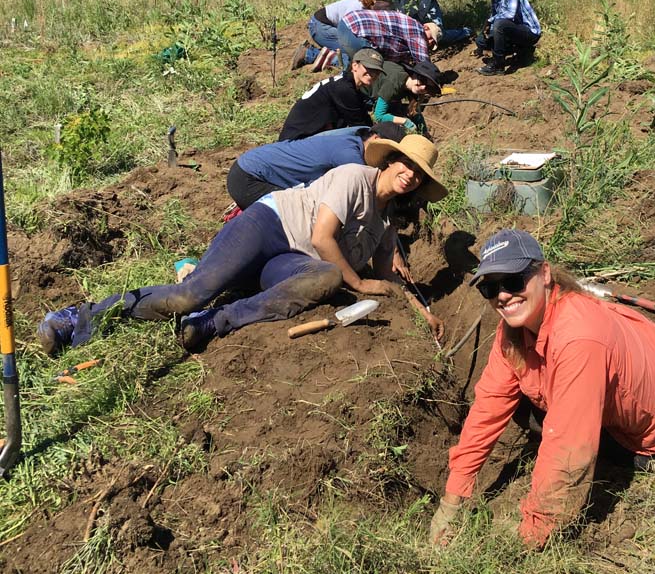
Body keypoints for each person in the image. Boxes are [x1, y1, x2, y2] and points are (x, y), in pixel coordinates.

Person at [429, 228, 655, 549]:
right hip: (652, 343)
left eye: (513, 281)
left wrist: (529, 534)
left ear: (544, 274)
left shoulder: (580, 338)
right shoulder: (521, 326)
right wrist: (452, 501)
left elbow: (569, 447)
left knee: (553, 419)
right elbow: (487, 408)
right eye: (490, 288)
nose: (502, 295)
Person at [37, 136, 449, 357]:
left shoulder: (385, 220)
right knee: (189, 293)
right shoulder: (354, 177)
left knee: (324, 276)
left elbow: (386, 277)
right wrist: (357, 285)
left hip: (291, 259)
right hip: (268, 224)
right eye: (406, 165)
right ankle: (80, 317)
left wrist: (422, 314)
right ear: (389, 161)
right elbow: (324, 237)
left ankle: (211, 323)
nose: (410, 176)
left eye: (419, 174)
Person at [227, 123, 407, 210]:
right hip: (249, 178)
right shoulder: (349, 154)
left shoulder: (353, 138)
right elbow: (367, 196)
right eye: (387, 153)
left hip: (252, 167)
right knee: (296, 216)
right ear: (375, 139)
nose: (385, 161)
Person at [278, 47, 383, 142]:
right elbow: (361, 127)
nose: (373, 73)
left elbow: (364, 121)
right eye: (368, 68)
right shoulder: (344, 89)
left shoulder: (346, 84)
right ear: (355, 65)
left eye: (376, 71)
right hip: (295, 142)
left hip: (303, 138)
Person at [291, 0, 393, 72]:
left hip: (323, 26)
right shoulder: (358, 9)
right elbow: (346, 30)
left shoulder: (366, 5)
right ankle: (309, 54)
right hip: (320, 28)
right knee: (351, 54)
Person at [475, 0, 541, 76]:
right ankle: (522, 51)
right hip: (513, 30)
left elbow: (509, 14)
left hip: (529, 31)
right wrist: (485, 33)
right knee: (482, 41)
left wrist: (489, 21)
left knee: (499, 24)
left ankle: (498, 65)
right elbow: (497, 19)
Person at [337, 7, 441, 69]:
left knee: (357, 69)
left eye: (432, 44)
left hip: (346, 26)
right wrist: (434, 78)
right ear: (426, 27)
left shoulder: (405, 40)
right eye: (431, 38)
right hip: (356, 28)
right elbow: (424, 62)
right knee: (372, 68)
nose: (429, 43)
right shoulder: (417, 29)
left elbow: (396, 61)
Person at [370, 58, 441, 135]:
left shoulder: (410, 88)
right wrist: (405, 121)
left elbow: (415, 112)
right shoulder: (394, 81)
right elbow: (379, 116)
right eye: (422, 80)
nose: (423, 87)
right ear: (414, 74)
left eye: (428, 87)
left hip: (384, 97)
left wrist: (425, 132)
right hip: (363, 95)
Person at [393, 0, 472, 49]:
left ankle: (467, 32)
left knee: (439, 34)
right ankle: (466, 31)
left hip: (426, 4)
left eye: (431, 40)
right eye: (431, 40)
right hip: (410, 10)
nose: (430, 43)